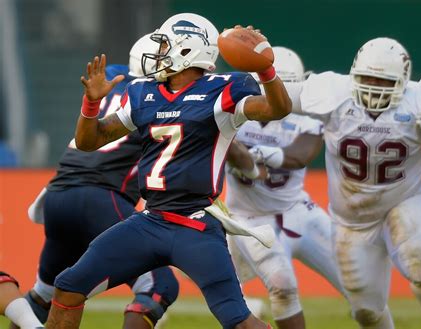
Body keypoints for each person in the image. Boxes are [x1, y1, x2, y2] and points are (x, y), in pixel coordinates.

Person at [45, 13, 291, 329]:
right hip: (150, 220)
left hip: (196, 225)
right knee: (68, 287)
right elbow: (88, 141)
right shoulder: (144, 93)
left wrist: (266, 72)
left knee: (238, 320)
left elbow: (277, 109)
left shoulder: (223, 89)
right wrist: (91, 105)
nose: (158, 52)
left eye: (165, 45)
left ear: (187, 49)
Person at [284, 37, 421, 329]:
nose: (373, 85)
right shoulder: (332, 92)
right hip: (352, 218)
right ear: (353, 74)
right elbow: (281, 98)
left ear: (403, 81)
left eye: (382, 80)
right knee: (366, 311)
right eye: (367, 77)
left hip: (406, 197)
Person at [22, 33, 179, 329]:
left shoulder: (113, 79)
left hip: (57, 195)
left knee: (45, 293)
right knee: (159, 286)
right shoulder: (155, 96)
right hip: (102, 199)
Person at [225, 46, 345, 329]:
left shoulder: (307, 117)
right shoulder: (233, 114)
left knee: (360, 284)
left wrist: (258, 155)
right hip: (248, 218)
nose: (278, 93)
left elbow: (299, 156)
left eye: (284, 86)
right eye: (270, 85)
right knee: (281, 285)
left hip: (297, 209)